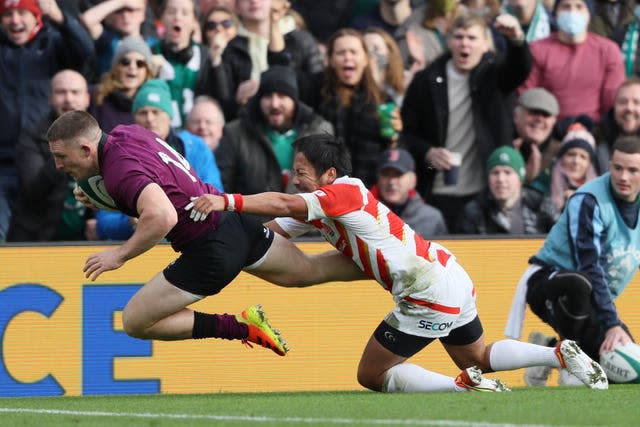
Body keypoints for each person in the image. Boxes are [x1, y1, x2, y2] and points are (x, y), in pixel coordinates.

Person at [187, 133, 609, 392]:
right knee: (476, 355)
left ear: (329, 174)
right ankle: (558, 354)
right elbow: (273, 230)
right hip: (450, 276)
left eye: (302, 170)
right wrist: (223, 242)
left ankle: (462, 389)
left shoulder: (346, 192)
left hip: (428, 291)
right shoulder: (323, 206)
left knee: (371, 375)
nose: (295, 178)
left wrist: (224, 201)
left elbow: (282, 202)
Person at [46, 110, 364, 358]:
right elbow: (164, 188)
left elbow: (162, 216)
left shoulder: (119, 171)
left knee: (135, 321)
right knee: (309, 271)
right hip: (234, 221)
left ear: (87, 149)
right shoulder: (127, 133)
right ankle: (384, 264)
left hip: (210, 248)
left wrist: (119, 254)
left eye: (61, 157)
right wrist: (116, 200)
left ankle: (238, 327)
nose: (59, 166)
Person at [505, 136, 640, 386]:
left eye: (633, 170)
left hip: (593, 301)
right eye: (618, 168)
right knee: (580, 282)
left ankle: (546, 351)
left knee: (630, 373)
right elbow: (589, 265)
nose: (623, 177)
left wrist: (614, 326)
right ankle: (570, 362)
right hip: (549, 282)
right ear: (609, 165)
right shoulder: (588, 200)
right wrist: (611, 323)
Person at [401, 12, 532, 232]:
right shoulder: (426, 79)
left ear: (484, 43)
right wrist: (428, 153)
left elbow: (520, 68)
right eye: (459, 37)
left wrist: (517, 39)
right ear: (449, 41)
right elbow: (407, 133)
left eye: (472, 38)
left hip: (484, 193)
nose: (465, 44)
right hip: (437, 189)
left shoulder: (495, 72)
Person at [0, 0, 94, 242]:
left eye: (22, 12)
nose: (15, 20)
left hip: (43, 151)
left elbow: (85, 48)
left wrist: (59, 17)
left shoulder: (53, 43)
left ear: (37, 17)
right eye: (8, 14)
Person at [95, 79, 223, 240]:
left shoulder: (195, 147)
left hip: (195, 242)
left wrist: (169, 213)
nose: (150, 119)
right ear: (134, 118)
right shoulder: (117, 154)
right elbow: (104, 224)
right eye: (143, 112)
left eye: (156, 112)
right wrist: (132, 220)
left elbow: (216, 198)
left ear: (169, 116)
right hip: (141, 250)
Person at [215, 65, 332, 222]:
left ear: (295, 100)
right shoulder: (235, 133)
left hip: (310, 233)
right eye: (268, 96)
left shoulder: (320, 130)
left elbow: (331, 188)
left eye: (282, 96)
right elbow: (223, 187)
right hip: (253, 232)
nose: (274, 104)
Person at [7, 70, 98, 242]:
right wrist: (65, 150)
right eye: (61, 92)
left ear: (87, 98)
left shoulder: (98, 135)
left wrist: (97, 219)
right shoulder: (31, 136)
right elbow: (33, 191)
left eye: (75, 92)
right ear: (50, 98)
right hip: (36, 241)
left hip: (86, 241)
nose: (68, 99)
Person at [195, 0, 324, 119]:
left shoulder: (302, 40)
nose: (254, 1)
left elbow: (318, 90)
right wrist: (237, 99)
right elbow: (219, 105)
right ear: (237, 7)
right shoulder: (229, 49)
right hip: (247, 127)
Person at [519, 0, 625, 123]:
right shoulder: (537, 49)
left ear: (589, 14)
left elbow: (612, 101)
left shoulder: (608, 51)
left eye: (579, 7)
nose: (572, 12)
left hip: (595, 131)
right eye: (566, 7)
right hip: (547, 128)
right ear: (555, 13)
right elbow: (528, 97)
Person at [457, 146, 556, 235]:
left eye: (508, 172)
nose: (500, 179)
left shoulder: (541, 206)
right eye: (495, 173)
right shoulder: (474, 212)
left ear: (520, 178)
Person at [371, 147, 449, 237]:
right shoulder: (363, 215)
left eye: (398, 175)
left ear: (413, 180)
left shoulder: (432, 218)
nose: (391, 182)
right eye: (386, 175)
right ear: (378, 179)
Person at [89, 35, 158, 132]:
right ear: (116, 67)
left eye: (140, 64)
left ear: (147, 71)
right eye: (126, 62)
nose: (132, 67)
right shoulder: (95, 95)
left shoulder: (155, 103)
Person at [80, 0, 155, 79]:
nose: (126, 16)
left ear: (142, 14)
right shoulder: (107, 40)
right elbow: (87, 20)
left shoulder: (154, 43)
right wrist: (122, 2)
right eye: (118, 11)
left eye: (131, 10)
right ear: (108, 18)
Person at [512, 87, 561, 184]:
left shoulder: (561, 153)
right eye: (533, 112)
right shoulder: (501, 142)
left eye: (546, 115)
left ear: (553, 122)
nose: (539, 119)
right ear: (516, 116)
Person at [597, 78, 640, 173]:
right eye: (623, 102)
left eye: (636, 102)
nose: (629, 108)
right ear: (614, 106)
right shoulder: (596, 141)